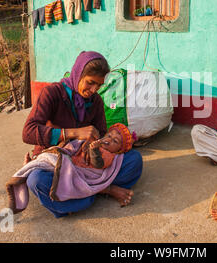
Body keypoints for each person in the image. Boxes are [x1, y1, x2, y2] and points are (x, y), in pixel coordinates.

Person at [21, 51, 143, 217]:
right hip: (59, 161)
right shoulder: (51, 94)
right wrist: (74, 133)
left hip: (85, 165)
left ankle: (81, 194)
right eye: (90, 83)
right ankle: (102, 190)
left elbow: (100, 133)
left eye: (99, 85)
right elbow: (28, 132)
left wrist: (93, 144)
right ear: (78, 74)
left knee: (134, 159)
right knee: (36, 180)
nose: (93, 90)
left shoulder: (96, 102)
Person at [70, 123, 136, 169]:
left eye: (115, 141)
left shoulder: (109, 155)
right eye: (109, 136)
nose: (110, 139)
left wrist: (94, 150)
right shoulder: (97, 142)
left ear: (119, 150)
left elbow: (98, 164)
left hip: (77, 169)